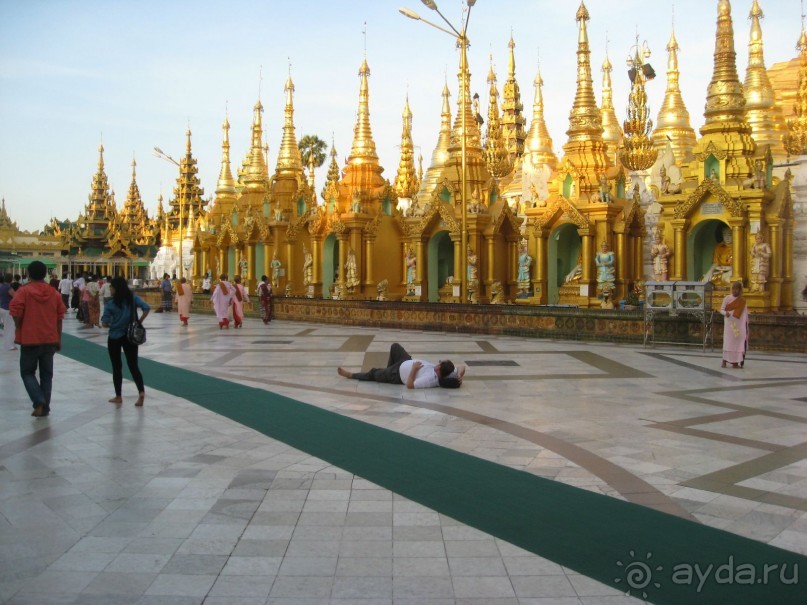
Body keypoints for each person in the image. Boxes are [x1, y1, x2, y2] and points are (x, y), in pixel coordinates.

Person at [9, 260, 66, 417]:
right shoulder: (54, 293)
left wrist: (19, 324)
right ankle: (45, 407)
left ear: (28, 273)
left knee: (27, 372)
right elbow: (59, 318)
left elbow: (15, 311)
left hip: (29, 339)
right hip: (50, 339)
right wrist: (58, 339)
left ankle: (38, 400)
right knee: (47, 376)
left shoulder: (23, 291)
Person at [101, 277, 150, 406]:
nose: (110, 289)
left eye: (111, 287)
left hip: (115, 337)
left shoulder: (111, 304)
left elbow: (104, 323)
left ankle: (118, 396)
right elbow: (146, 307)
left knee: (117, 367)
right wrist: (139, 322)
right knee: (133, 365)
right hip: (130, 336)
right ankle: (141, 392)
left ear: (116, 289)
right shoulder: (133, 298)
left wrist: (112, 324)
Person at [337, 343, 465, 389]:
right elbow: (461, 366)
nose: (439, 362)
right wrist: (459, 374)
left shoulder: (430, 380)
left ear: (438, 368)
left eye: (441, 362)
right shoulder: (448, 372)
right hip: (405, 361)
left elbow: (410, 385)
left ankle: (351, 375)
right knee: (395, 347)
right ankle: (385, 371)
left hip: (397, 375)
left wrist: (414, 370)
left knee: (374, 373)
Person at [720, 281, 749, 369]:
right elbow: (721, 310)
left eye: (737, 289)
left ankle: (735, 362)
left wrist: (744, 325)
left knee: (737, 343)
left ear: (740, 290)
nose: (735, 291)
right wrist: (726, 313)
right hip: (730, 324)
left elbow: (745, 315)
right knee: (728, 342)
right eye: (733, 289)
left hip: (739, 325)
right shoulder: (727, 298)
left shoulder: (742, 301)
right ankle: (724, 361)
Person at [0, 274, 16, 351]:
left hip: (2, 307)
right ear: (11, 279)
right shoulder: (8, 288)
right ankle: (10, 345)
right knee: (10, 328)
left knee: (6, 327)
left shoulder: (2, 286)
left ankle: (7, 344)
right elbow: (15, 296)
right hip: (8, 309)